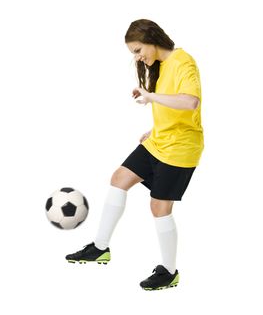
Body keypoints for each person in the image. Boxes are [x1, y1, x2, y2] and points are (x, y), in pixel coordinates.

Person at [65, 19, 204, 291]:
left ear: (153, 39)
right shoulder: (161, 67)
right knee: (119, 178)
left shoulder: (183, 61)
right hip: (159, 140)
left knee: (159, 207)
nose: (138, 57)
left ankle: (169, 271)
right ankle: (100, 248)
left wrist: (150, 97)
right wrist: (154, 128)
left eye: (138, 50)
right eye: (134, 53)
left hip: (181, 148)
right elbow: (173, 106)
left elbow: (190, 102)